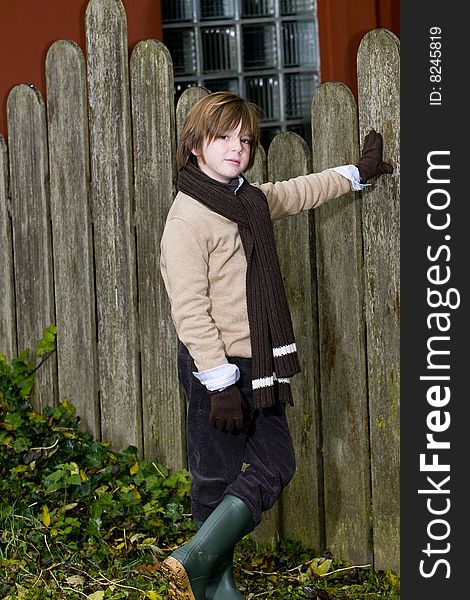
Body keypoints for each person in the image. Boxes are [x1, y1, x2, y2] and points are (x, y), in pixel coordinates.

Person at [160, 91, 393, 600]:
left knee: (277, 462)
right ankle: (213, 585)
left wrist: (357, 172)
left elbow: (300, 190)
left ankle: (196, 559)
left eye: (244, 140)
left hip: (258, 365)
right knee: (214, 477)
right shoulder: (187, 218)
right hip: (215, 369)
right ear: (195, 145)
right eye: (222, 137)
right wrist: (218, 382)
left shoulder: (250, 203)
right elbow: (190, 309)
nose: (236, 148)